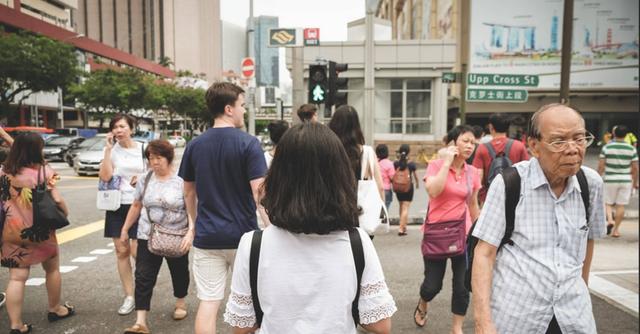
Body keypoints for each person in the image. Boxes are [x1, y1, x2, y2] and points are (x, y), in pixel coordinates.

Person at [223, 122, 396, 333]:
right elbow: (380, 325)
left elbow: (242, 327)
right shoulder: (357, 242)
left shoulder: (253, 245)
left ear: (278, 176)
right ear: (339, 177)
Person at [471, 103, 605, 334]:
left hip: (573, 317)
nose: (572, 149)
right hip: (518, 317)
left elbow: (588, 241)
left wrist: (581, 290)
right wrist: (483, 321)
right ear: (534, 146)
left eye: (579, 139)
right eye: (559, 141)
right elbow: (484, 252)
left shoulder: (591, 184)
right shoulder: (510, 184)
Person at [178, 82, 268, 334]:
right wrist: (273, 230)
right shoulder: (249, 144)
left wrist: (194, 224)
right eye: (241, 106)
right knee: (247, 304)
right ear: (229, 108)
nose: (243, 111)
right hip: (244, 237)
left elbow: (188, 191)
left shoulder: (195, 145)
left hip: (208, 237)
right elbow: (259, 195)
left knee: (209, 302)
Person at [1, 133, 75, 334]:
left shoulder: (4, 172)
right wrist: (64, 214)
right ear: (37, 150)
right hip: (41, 230)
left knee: (16, 278)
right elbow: (57, 200)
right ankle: (55, 309)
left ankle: (17, 326)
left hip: (11, 230)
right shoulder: (44, 172)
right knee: (52, 269)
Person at [120, 140, 193, 334]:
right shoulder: (145, 179)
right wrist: (125, 229)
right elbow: (136, 205)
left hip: (177, 234)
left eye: (158, 158)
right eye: (150, 158)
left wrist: (191, 232)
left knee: (179, 271)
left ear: (168, 158)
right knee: (143, 275)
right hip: (148, 234)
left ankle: (180, 302)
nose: (154, 162)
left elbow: (193, 208)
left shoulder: (182, 180)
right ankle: (140, 321)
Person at [414, 125, 480, 332]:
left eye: (473, 142)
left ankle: (457, 328)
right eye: (465, 141)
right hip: (437, 234)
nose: (470, 146)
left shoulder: (473, 172)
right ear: (453, 143)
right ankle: (424, 302)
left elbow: (473, 204)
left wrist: (478, 234)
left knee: (462, 286)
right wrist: (447, 163)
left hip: (464, 234)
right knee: (433, 286)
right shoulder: (435, 165)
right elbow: (434, 191)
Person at [99, 113, 146, 315]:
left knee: (138, 252)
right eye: (114, 127)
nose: (118, 130)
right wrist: (108, 151)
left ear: (131, 129)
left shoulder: (143, 148)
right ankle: (129, 296)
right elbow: (106, 176)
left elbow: (156, 170)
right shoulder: (111, 151)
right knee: (121, 251)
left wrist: (143, 177)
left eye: (121, 126)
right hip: (117, 205)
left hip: (138, 205)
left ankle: (144, 291)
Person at [328, 105, 384, 236]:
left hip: (333, 214)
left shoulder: (328, 151)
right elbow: (380, 186)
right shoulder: (367, 152)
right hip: (362, 217)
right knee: (359, 254)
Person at [472, 113, 529, 203]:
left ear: (491, 127)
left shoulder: (482, 148)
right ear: (508, 127)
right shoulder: (519, 146)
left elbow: (478, 176)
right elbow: (527, 172)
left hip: (489, 197)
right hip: (515, 197)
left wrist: (477, 199)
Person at [598, 125, 638, 238]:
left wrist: (598, 176)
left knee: (607, 203)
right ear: (626, 135)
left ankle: (610, 220)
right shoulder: (632, 149)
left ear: (614, 134)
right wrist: (634, 183)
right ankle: (616, 230)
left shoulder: (607, 147)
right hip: (625, 180)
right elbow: (635, 168)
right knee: (621, 205)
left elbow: (601, 165)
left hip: (610, 179)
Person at [393, 144, 418, 236]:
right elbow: (415, 176)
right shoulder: (411, 164)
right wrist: (417, 183)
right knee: (405, 207)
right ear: (409, 152)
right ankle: (401, 228)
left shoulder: (396, 163)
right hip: (408, 187)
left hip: (399, 187)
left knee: (401, 206)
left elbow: (393, 174)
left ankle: (403, 225)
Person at [376, 144, 395, 210]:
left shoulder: (375, 163)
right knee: (385, 211)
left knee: (376, 211)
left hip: (376, 189)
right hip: (386, 190)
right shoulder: (389, 163)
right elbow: (392, 178)